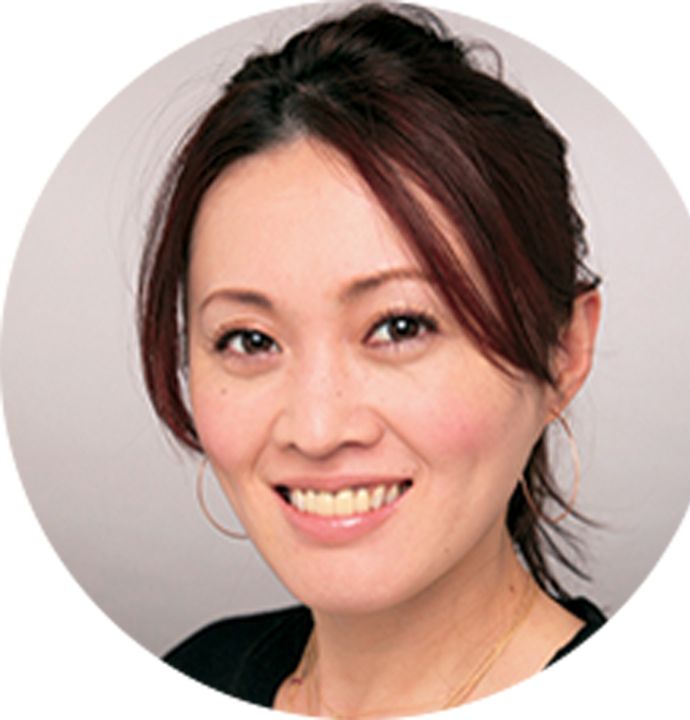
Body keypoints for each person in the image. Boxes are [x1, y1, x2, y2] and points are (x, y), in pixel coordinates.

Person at [137, 2, 604, 715]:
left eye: (400, 326)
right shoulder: (193, 675)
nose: (317, 430)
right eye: (250, 340)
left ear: (564, 352)